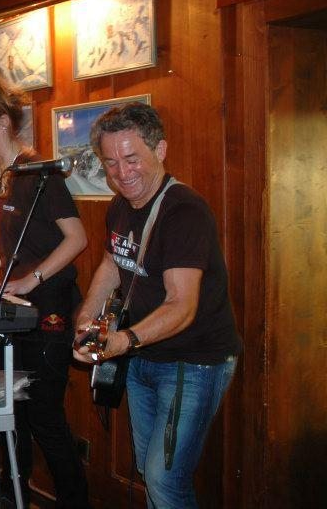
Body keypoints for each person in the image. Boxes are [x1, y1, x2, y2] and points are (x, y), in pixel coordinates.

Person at [73, 103, 241, 509]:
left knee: (165, 480)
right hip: (142, 355)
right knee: (152, 473)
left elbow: (182, 305)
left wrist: (124, 340)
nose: (121, 172)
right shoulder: (119, 206)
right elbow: (113, 263)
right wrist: (86, 320)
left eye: (132, 159)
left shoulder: (184, 211)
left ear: (160, 150)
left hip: (192, 362)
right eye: (111, 162)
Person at [0, 71, 90, 509]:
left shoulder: (39, 175)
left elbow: (76, 239)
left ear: (1, 123)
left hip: (50, 312)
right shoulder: (5, 175)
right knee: (11, 413)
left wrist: (31, 278)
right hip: (20, 310)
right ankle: (9, 497)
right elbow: (29, 242)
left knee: (44, 416)